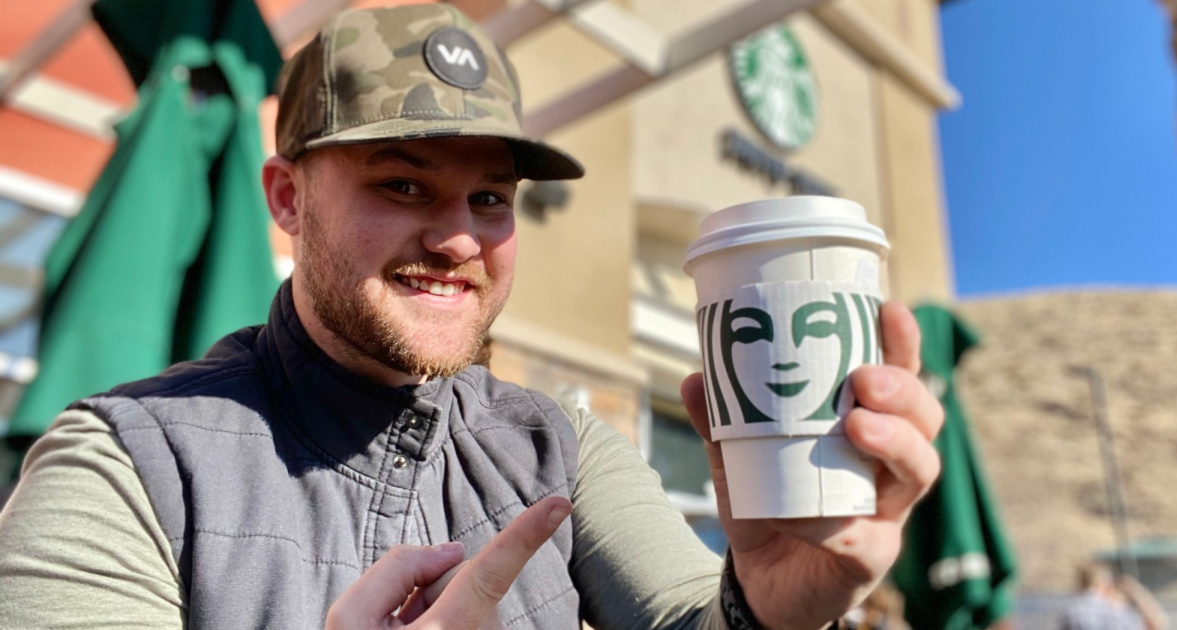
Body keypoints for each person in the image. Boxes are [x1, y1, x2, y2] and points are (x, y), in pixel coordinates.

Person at [0, 5, 943, 629]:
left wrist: (767, 607)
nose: (458, 238)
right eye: (403, 182)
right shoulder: (126, 461)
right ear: (287, 199)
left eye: (491, 198)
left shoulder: (559, 441)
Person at [1058, 564, 1169, 630]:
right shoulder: (1113, 610)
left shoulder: (1067, 611)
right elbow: (1157, 625)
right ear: (1106, 584)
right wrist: (1137, 593)